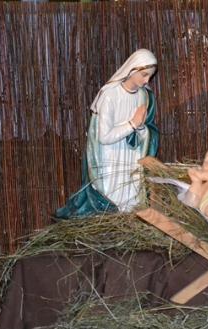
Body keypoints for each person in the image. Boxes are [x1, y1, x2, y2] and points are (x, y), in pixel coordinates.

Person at [55, 49, 159, 219]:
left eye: (150, 76)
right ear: (132, 69)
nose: (147, 80)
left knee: (131, 201)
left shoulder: (143, 96)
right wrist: (132, 124)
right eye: (144, 74)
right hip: (110, 158)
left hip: (131, 158)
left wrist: (141, 129)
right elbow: (104, 137)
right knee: (112, 200)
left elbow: (146, 134)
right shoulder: (110, 95)